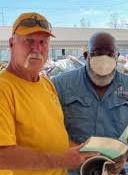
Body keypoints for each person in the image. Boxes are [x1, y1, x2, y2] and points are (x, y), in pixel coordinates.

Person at [0, 12, 96, 175]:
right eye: (29, 41)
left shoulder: (46, 84)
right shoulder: (4, 89)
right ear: (11, 44)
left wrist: (83, 153)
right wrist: (61, 159)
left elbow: (54, 137)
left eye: (43, 42)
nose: (37, 48)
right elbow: (3, 156)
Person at [52, 32, 128, 175]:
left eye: (109, 54)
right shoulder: (61, 85)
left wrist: (127, 153)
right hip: (74, 170)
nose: (104, 60)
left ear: (117, 57)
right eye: (97, 53)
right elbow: (49, 128)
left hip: (118, 170)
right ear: (87, 56)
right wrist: (74, 151)